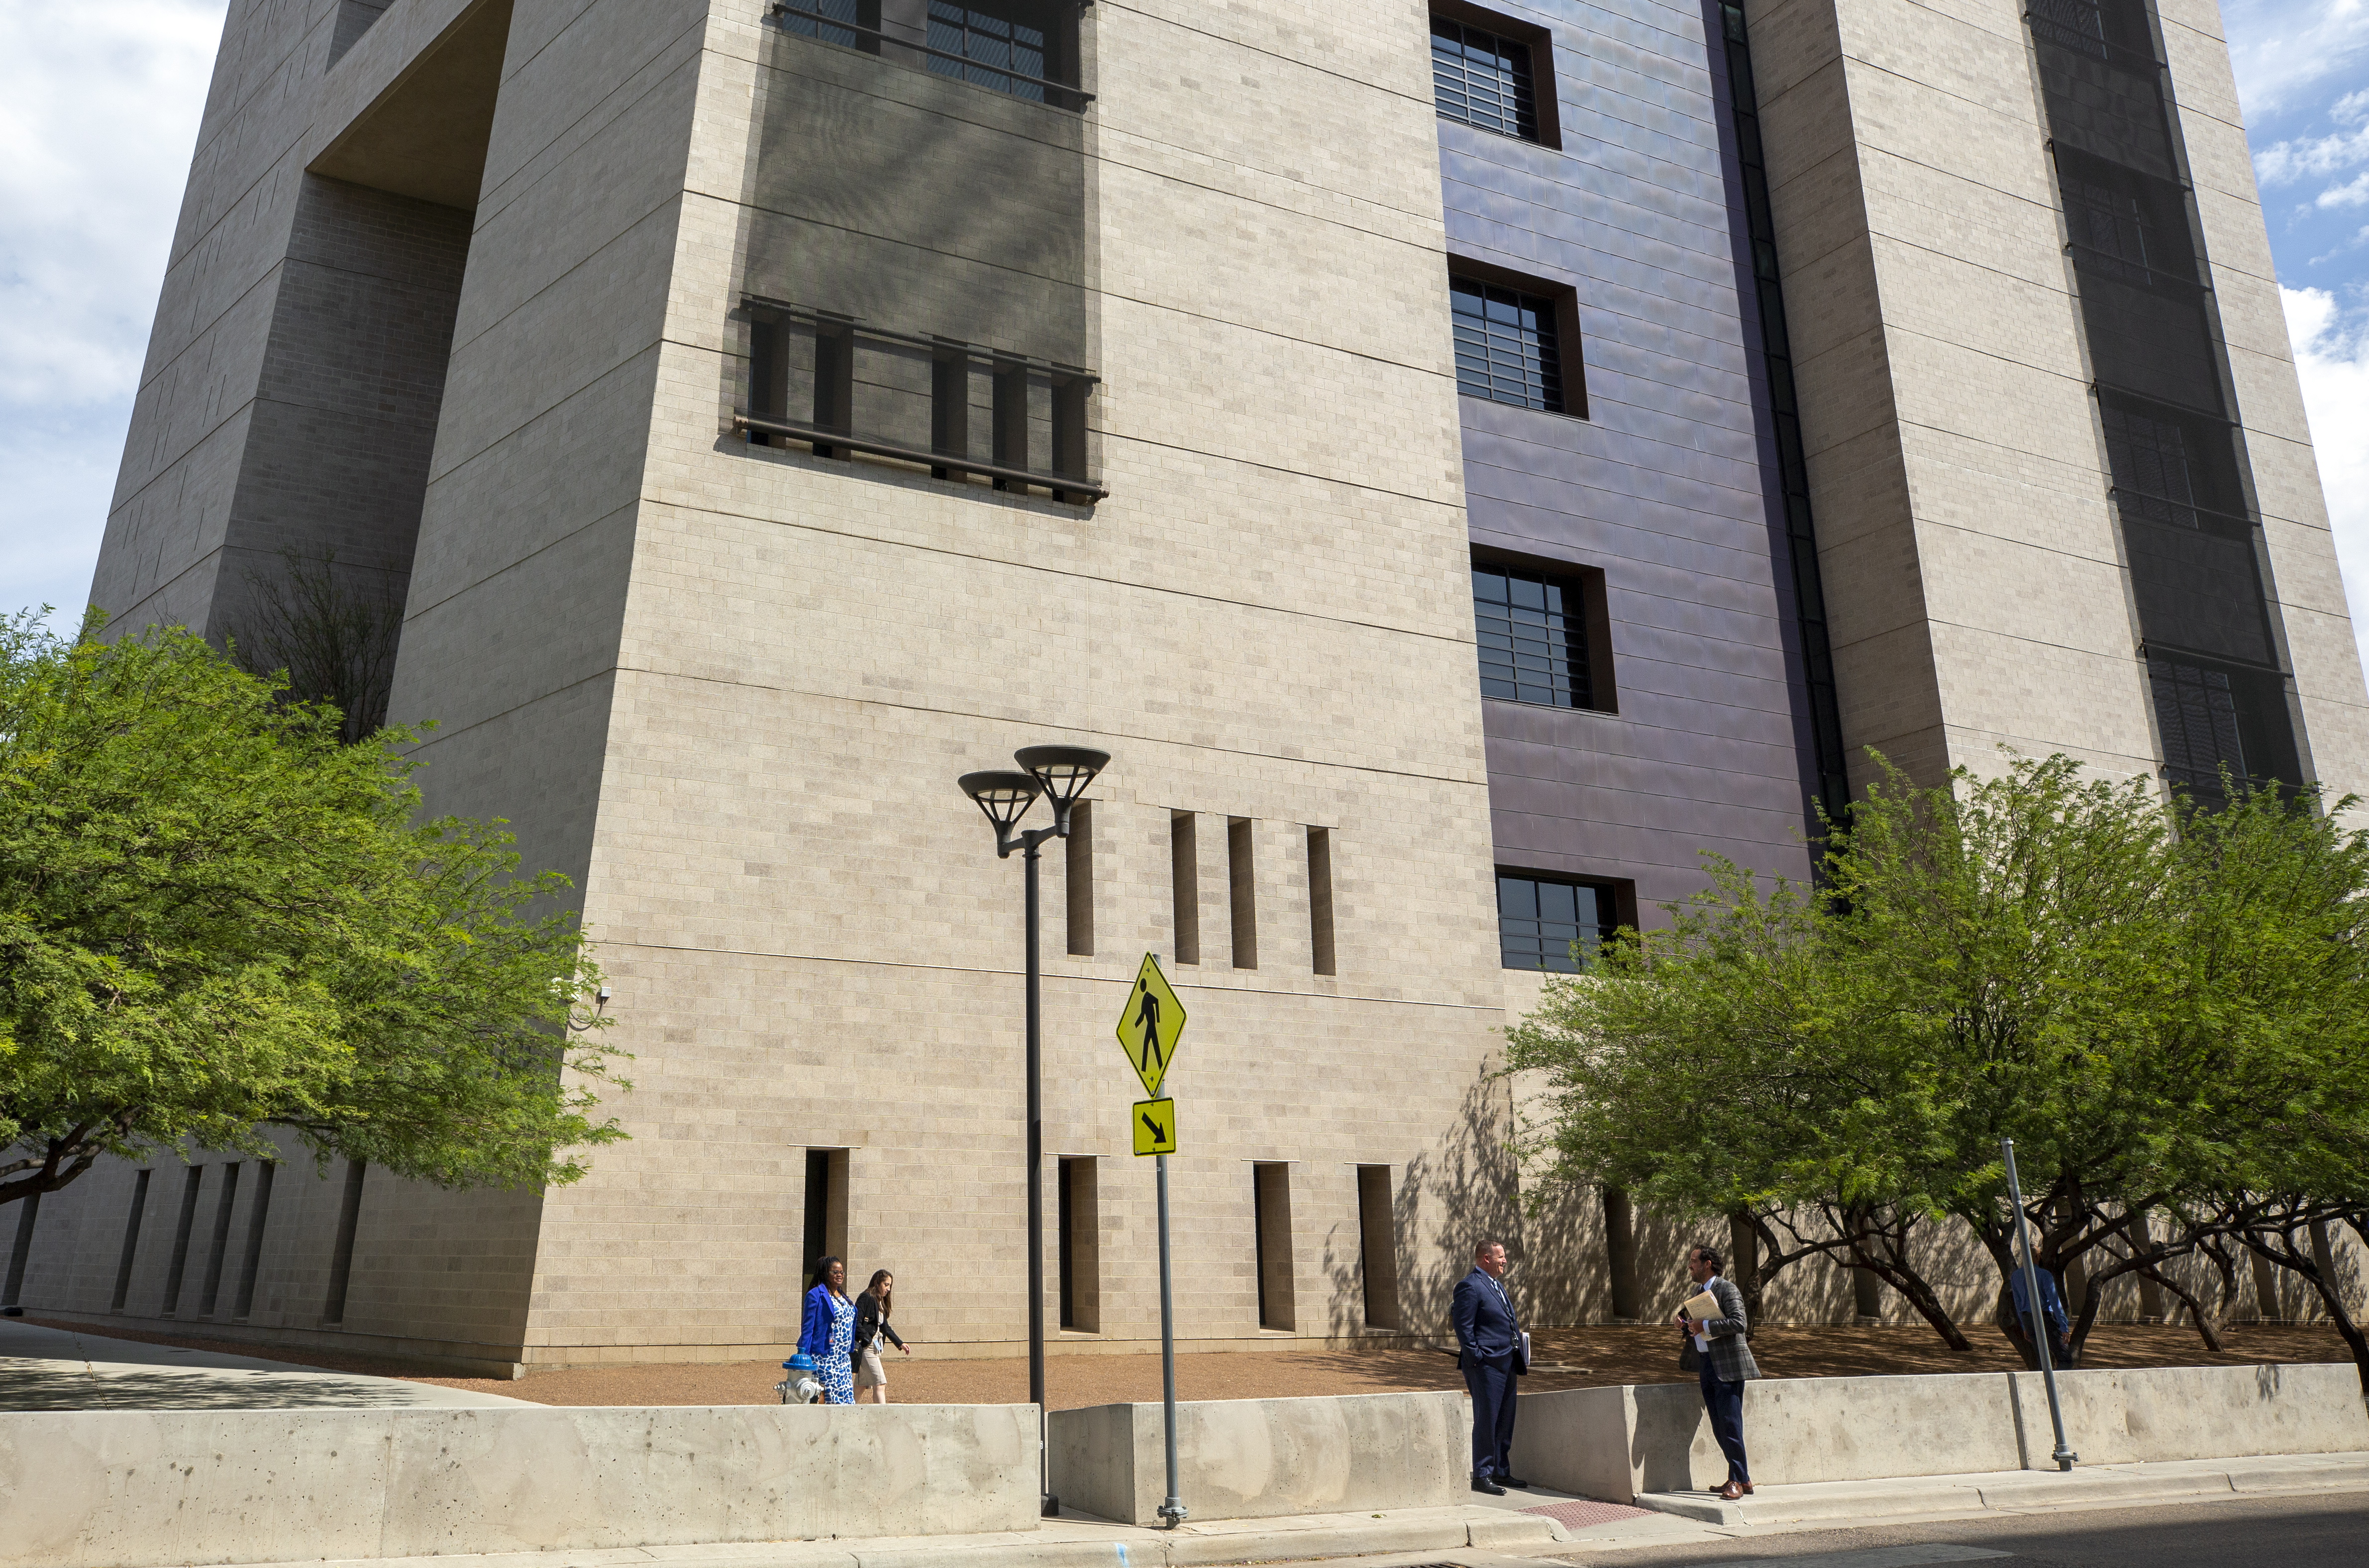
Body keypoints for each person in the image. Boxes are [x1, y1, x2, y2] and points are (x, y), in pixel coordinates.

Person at [1675, 1243, 1759, 1501]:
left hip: (1728, 1367)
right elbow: (1695, 1328)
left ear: (1706, 1264)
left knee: (1731, 1425)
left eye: (1693, 1261)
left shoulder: (1727, 1289)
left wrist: (1705, 1324)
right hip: (1706, 1364)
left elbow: (1739, 1323)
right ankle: (1741, 1477)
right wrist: (1685, 1324)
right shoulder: (1698, 1293)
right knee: (1719, 1427)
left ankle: (1737, 1480)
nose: (1689, 1265)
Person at [1450, 1238, 1529, 1495]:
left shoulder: (1498, 1287)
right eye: (1501, 1257)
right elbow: (1464, 1327)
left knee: (1505, 1420)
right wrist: (1477, 1357)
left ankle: (1500, 1471)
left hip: (1508, 1362)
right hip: (1485, 1365)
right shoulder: (1470, 1286)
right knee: (1487, 1419)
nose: (1505, 1261)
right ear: (1486, 1259)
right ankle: (1482, 1475)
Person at [799, 1255, 856, 1405]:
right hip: (825, 1357)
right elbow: (808, 1328)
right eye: (835, 1272)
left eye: (842, 1272)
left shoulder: (842, 1295)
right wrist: (803, 1356)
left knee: (848, 1399)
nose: (840, 1275)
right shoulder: (816, 1295)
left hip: (843, 1359)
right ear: (826, 1273)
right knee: (830, 1399)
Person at [852, 1268, 911, 1403]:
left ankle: (847, 1410)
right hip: (867, 1348)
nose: (889, 1289)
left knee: (861, 1386)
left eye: (890, 1285)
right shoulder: (866, 1297)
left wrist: (900, 1343)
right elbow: (856, 1322)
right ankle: (882, 1416)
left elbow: (885, 1327)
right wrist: (867, 1338)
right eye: (886, 1285)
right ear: (877, 1283)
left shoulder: (880, 1301)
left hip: (874, 1347)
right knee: (880, 1383)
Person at [2009, 1264, 2073, 1364]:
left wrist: (2024, 1326)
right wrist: (2064, 1327)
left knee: (2042, 1359)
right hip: (2045, 1318)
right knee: (2065, 1359)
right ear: (2037, 1256)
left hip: (2028, 1319)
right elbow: (2055, 1302)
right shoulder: (2044, 1274)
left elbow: (2017, 1302)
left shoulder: (2016, 1275)